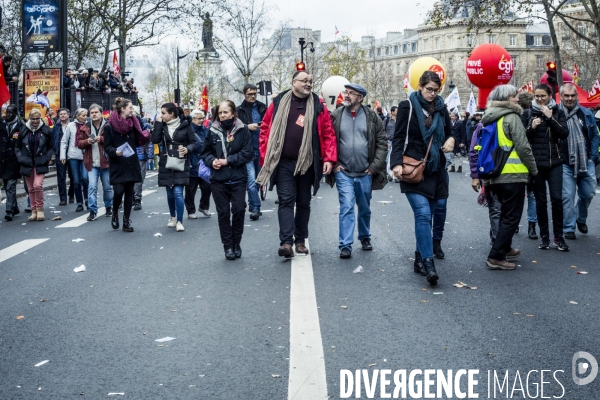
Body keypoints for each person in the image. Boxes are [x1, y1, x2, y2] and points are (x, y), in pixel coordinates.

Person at [256, 70, 337, 258]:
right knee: (285, 201)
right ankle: (286, 243)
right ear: (294, 82)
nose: (308, 84)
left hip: (308, 163)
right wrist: (265, 156)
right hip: (283, 162)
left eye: (310, 81)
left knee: (303, 202)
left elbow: (328, 133)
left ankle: (300, 241)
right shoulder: (278, 103)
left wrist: (328, 159)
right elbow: (265, 128)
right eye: (304, 80)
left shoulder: (318, 105)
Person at [390, 71, 454, 286]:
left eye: (436, 90)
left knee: (430, 215)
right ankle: (428, 263)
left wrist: (452, 140)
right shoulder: (407, 106)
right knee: (424, 215)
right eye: (429, 90)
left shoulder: (442, 107)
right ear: (420, 87)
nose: (432, 94)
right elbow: (398, 136)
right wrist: (396, 162)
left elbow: (450, 132)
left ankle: (419, 257)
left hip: (436, 169)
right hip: (414, 168)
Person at [478, 85, 538, 269]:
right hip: (513, 174)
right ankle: (496, 256)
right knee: (512, 216)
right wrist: (533, 170)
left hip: (494, 173)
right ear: (506, 99)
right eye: (514, 96)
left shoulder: (489, 117)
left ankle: (505, 247)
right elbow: (523, 147)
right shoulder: (512, 117)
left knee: (504, 214)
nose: (518, 99)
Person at [328, 83, 387, 258]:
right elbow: (328, 140)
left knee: (364, 207)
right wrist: (335, 164)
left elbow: (382, 142)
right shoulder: (336, 115)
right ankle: (345, 245)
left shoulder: (372, 117)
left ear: (360, 98)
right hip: (343, 172)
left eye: (351, 93)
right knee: (346, 206)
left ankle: (365, 236)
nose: (346, 95)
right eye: (346, 92)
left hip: (365, 173)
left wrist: (373, 168)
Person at [201, 101, 253, 259]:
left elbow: (247, 153)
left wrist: (228, 160)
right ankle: (228, 246)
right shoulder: (212, 130)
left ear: (233, 113)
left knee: (238, 211)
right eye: (220, 113)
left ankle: (237, 243)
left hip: (238, 178)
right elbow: (205, 152)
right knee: (223, 213)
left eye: (225, 112)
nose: (222, 115)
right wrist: (212, 161)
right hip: (219, 180)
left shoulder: (243, 130)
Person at [523, 83, 570, 251]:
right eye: (537, 96)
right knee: (540, 201)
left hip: (555, 162)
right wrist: (532, 127)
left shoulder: (557, 111)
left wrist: (550, 118)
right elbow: (522, 136)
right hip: (536, 164)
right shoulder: (528, 113)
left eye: (543, 95)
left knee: (557, 199)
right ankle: (544, 236)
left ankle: (559, 236)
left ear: (550, 95)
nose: (540, 99)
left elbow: (564, 133)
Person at [558, 83, 599, 240]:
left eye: (572, 96)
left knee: (588, 193)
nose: (569, 99)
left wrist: (592, 157)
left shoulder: (586, 114)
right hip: (564, 162)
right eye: (566, 96)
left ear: (576, 96)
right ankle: (569, 227)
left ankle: (580, 219)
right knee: (567, 196)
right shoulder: (555, 113)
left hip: (585, 161)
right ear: (561, 96)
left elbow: (595, 136)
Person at [103, 97, 150, 232]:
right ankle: (115, 213)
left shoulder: (133, 123)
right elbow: (107, 146)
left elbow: (140, 137)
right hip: (117, 163)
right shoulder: (109, 127)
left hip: (131, 162)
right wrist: (115, 151)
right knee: (118, 192)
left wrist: (145, 137)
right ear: (123, 109)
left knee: (129, 192)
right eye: (130, 107)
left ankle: (126, 221)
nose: (132, 110)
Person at [151, 102, 197, 232]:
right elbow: (155, 140)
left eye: (164, 113)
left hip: (180, 161)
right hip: (166, 162)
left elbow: (194, 143)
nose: (162, 115)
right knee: (170, 193)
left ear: (172, 114)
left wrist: (187, 149)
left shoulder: (186, 125)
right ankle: (172, 216)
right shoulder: (162, 125)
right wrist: (158, 123)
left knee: (178, 192)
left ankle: (179, 221)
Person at [15, 109, 54, 221]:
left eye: (37, 118)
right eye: (33, 119)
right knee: (31, 188)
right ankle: (34, 211)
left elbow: (51, 146)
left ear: (40, 118)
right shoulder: (23, 130)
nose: (35, 121)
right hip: (26, 162)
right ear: (29, 119)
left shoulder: (46, 130)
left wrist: (47, 158)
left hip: (40, 161)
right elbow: (17, 147)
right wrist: (20, 158)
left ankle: (40, 209)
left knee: (37, 185)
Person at [77, 104, 113, 221]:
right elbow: (79, 143)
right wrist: (88, 141)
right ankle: (92, 211)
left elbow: (113, 141)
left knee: (107, 187)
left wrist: (101, 139)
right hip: (91, 162)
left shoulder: (108, 125)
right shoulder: (85, 127)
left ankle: (108, 207)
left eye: (96, 112)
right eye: (91, 113)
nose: (94, 114)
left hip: (105, 161)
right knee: (92, 187)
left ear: (101, 113)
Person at [237, 83, 267, 221]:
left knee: (258, 181)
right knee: (250, 181)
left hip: (261, 149)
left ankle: (253, 203)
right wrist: (246, 126)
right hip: (247, 151)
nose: (253, 96)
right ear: (244, 94)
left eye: (255, 93)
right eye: (250, 94)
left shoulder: (262, 107)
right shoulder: (239, 110)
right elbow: (234, 128)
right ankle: (256, 207)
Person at [517, 92, 538, 240]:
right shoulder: (519, 117)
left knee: (521, 195)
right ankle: (531, 226)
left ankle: (519, 224)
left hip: (524, 159)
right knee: (530, 195)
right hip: (527, 158)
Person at [60, 108, 89, 212]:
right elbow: (64, 141)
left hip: (86, 155)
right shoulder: (71, 126)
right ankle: (80, 203)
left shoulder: (88, 125)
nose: (85, 117)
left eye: (86, 115)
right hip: (73, 156)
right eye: (83, 115)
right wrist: (63, 156)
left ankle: (87, 199)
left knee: (85, 178)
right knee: (76, 181)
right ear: (77, 116)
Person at [186, 109, 212, 218]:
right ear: (193, 119)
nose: (201, 120)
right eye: (199, 118)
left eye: (202, 118)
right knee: (191, 189)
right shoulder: (188, 130)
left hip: (204, 162)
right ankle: (191, 210)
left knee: (207, 186)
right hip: (192, 162)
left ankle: (203, 206)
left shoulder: (205, 129)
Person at [0, 105, 23, 221]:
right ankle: (15, 208)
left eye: (10, 113)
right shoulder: (1, 125)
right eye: (7, 112)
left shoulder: (21, 126)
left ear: (15, 113)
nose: (8, 115)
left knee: (10, 186)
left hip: (14, 161)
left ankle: (9, 210)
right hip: (3, 161)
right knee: (6, 184)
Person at [133, 106, 152, 210]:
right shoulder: (122, 124)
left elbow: (149, 142)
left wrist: (150, 155)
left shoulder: (144, 125)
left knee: (139, 179)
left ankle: (137, 199)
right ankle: (132, 196)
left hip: (140, 154)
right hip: (127, 155)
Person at [384, 106, 398, 181]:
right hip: (389, 141)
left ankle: (392, 173)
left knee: (394, 157)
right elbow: (382, 131)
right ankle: (389, 172)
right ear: (392, 112)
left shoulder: (399, 120)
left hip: (397, 142)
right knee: (387, 158)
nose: (397, 112)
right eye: (396, 111)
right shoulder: (387, 120)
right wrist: (385, 142)